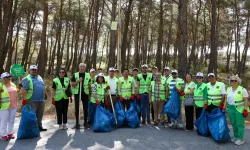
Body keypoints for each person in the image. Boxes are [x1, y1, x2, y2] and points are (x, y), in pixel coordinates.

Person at [223, 76, 249, 145]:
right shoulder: (228, 89)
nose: (233, 82)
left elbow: (246, 100)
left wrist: (245, 109)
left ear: (238, 81)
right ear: (230, 82)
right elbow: (226, 99)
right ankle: (236, 136)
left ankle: (241, 139)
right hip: (230, 108)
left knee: (239, 124)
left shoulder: (242, 89)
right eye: (232, 81)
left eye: (235, 81)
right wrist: (224, 107)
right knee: (234, 123)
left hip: (239, 109)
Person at [21, 65, 47, 131]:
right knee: (32, 115)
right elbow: (24, 90)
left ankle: (39, 126)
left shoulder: (39, 77)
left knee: (40, 114)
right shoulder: (26, 79)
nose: (34, 71)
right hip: (32, 100)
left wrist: (45, 93)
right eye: (32, 70)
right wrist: (24, 99)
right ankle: (31, 129)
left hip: (41, 100)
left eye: (35, 69)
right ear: (29, 70)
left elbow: (42, 86)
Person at [71, 63, 91, 129]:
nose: (82, 68)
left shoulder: (88, 75)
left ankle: (85, 122)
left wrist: (89, 94)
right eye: (81, 66)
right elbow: (72, 84)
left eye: (83, 67)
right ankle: (77, 123)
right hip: (77, 94)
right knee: (77, 108)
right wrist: (78, 81)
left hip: (85, 94)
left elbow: (89, 86)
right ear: (79, 67)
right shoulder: (75, 74)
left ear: (85, 68)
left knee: (86, 108)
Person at [0, 72, 17, 141]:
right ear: (3, 78)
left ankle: (10, 133)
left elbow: (15, 93)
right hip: (4, 106)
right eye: (7, 77)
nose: (8, 78)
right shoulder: (0, 85)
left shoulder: (13, 84)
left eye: (9, 77)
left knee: (11, 120)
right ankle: (3, 134)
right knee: (4, 121)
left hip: (13, 105)